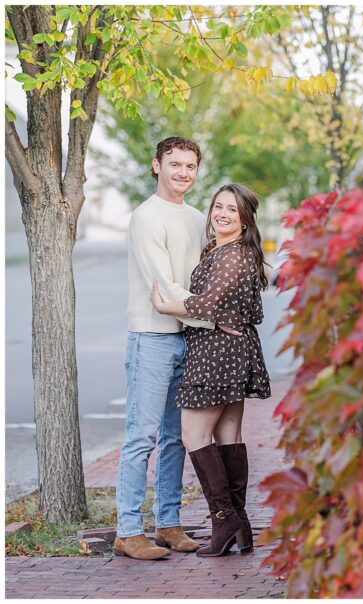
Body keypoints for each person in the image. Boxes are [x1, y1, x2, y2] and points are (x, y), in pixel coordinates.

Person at [151, 183, 271, 557]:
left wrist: (166, 306)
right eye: (218, 206)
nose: (222, 214)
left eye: (232, 210)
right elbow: (231, 307)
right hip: (232, 350)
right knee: (228, 432)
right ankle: (239, 524)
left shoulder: (231, 256)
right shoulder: (230, 251)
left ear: (245, 218)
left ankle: (224, 519)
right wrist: (221, 316)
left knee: (194, 435)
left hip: (215, 355)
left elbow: (205, 302)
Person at [114, 136, 211, 560]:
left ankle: (168, 524)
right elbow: (165, 285)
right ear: (157, 166)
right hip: (152, 338)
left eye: (190, 166)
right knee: (141, 437)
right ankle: (128, 530)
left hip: (188, 338)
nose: (183, 173)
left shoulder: (196, 218)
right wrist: (212, 317)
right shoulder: (146, 217)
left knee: (176, 438)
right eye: (174, 164)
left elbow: (220, 264)